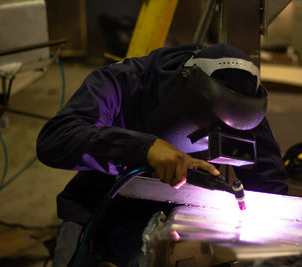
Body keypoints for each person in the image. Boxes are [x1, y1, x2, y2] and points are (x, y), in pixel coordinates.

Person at [36, 43, 287, 266]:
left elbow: (269, 182)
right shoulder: (126, 81)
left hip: (181, 215)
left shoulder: (240, 105)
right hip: (98, 211)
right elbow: (56, 138)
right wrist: (145, 149)